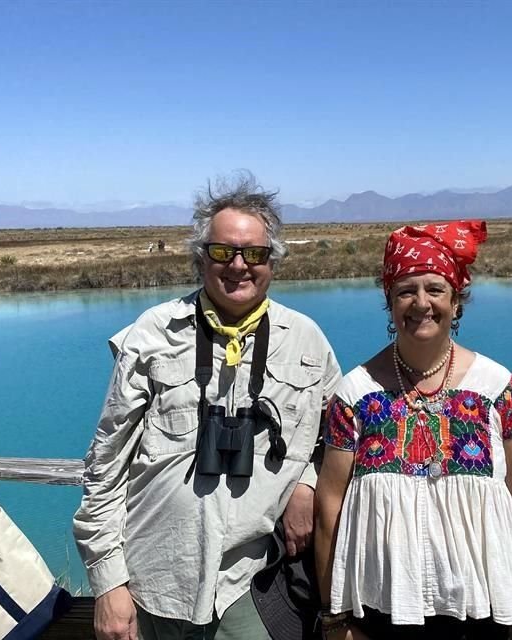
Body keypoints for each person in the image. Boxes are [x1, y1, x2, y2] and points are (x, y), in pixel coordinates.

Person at [74, 173, 341, 640]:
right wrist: (108, 582)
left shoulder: (306, 341)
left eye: (254, 253)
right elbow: (105, 465)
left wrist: (306, 481)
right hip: (153, 581)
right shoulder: (154, 333)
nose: (238, 265)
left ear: (272, 261)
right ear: (200, 257)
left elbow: (341, 437)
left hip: (252, 581)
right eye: (222, 251)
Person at [314, 220, 512, 640]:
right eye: (406, 291)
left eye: (435, 289)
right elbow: (329, 508)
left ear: (456, 300)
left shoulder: (496, 387)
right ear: (389, 301)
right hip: (382, 609)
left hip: (480, 607)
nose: (421, 303)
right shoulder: (354, 393)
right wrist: (335, 618)